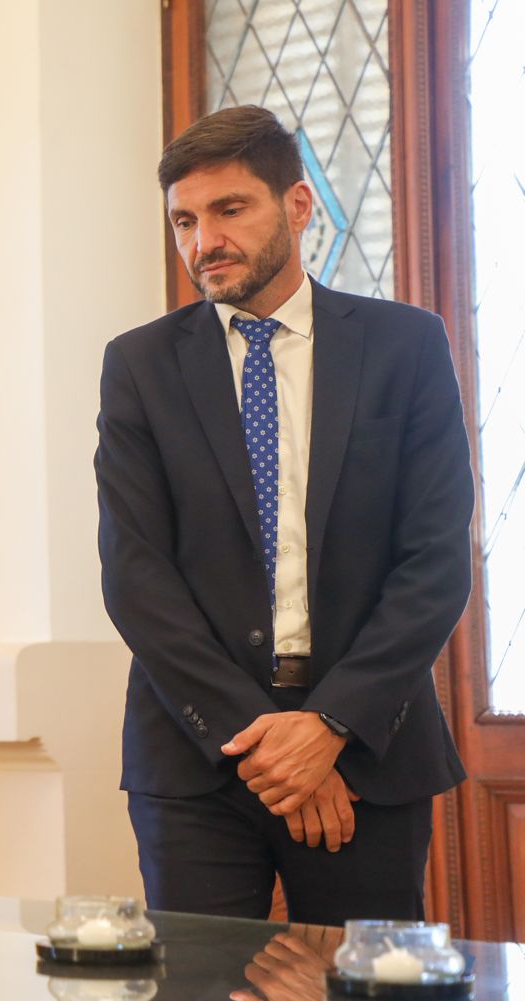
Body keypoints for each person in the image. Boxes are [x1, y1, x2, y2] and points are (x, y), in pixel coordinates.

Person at [95, 105, 471, 924]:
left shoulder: (406, 347)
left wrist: (330, 726)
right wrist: (269, 743)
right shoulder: (139, 367)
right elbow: (135, 576)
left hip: (368, 749)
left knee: (364, 999)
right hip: (196, 755)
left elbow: (436, 560)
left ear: (298, 206)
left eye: (230, 209)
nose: (204, 242)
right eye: (184, 221)